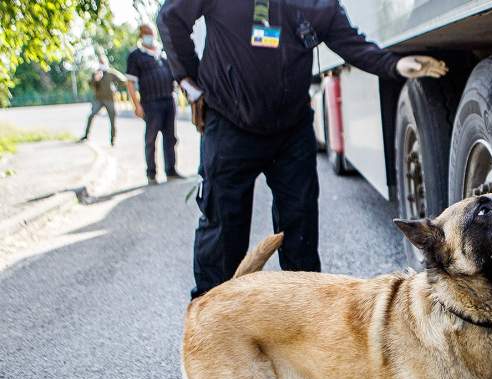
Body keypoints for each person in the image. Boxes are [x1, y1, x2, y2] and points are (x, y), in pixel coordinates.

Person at [158, 0, 447, 299]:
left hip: (291, 131)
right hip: (230, 123)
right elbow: (170, 17)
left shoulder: (319, 5)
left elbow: (350, 43)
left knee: (300, 232)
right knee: (222, 233)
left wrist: (394, 65)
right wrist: (191, 81)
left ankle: (303, 323)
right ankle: (210, 324)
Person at [125, 23, 181, 184]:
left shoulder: (162, 53)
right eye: (145, 33)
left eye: (151, 33)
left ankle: (171, 170)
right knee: (151, 139)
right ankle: (151, 173)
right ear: (141, 36)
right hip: (150, 103)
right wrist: (137, 105)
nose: (149, 36)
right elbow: (130, 83)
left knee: (170, 137)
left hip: (168, 100)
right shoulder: (135, 56)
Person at [79, 53, 126, 146]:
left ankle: (112, 140)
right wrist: (96, 79)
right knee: (91, 116)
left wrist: (116, 86)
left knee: (112, 119)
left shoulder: (111, 72)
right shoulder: (95, 73)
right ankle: (86, 135)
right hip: (98, 99)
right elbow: (90, 85)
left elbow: (123, 81)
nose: (101, 64)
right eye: (100, 62)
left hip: (110, 99)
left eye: (103, 62)